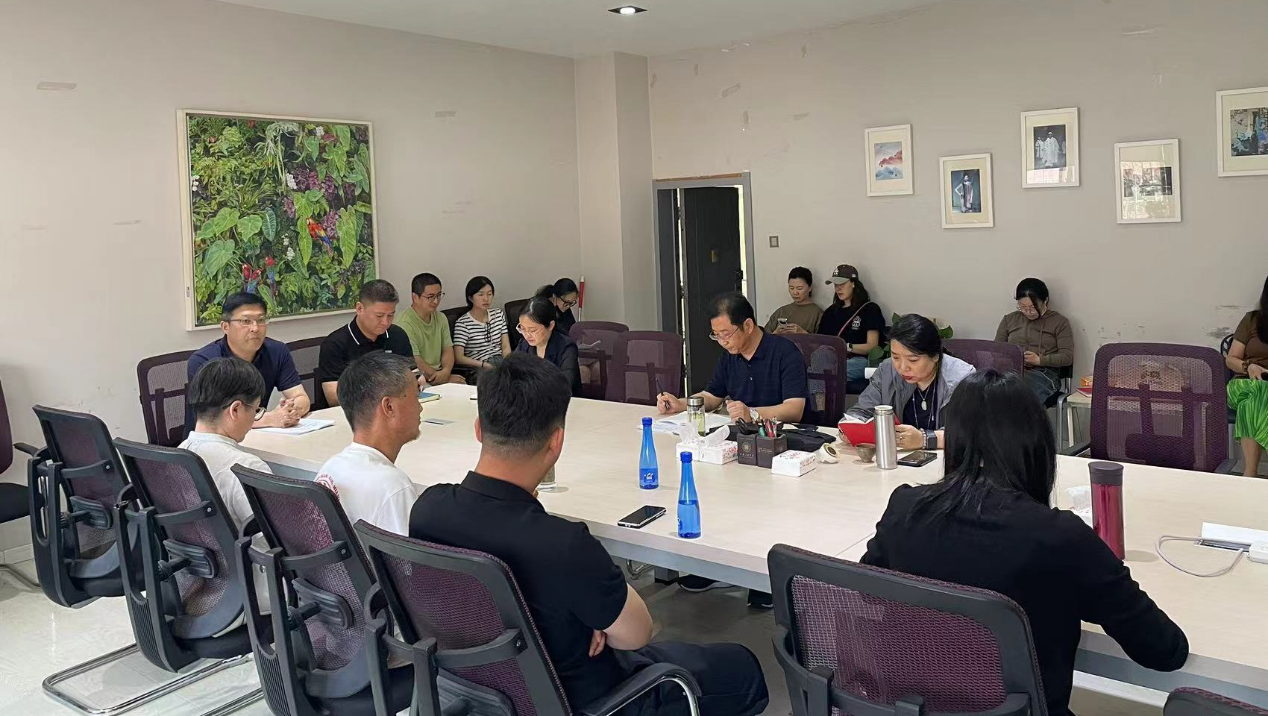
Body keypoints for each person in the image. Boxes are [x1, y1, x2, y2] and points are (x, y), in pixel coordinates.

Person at [410, 354, 769, 716]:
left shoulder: (428, 510)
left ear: (478, 429)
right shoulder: (562, 544)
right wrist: (590, 617)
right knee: (741, 666)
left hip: (475, 693)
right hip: (591, 701)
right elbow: (636, 634)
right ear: (556, 441)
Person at [862, 370, 1188, 716]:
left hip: (914, 708)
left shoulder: (905, 509)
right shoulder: (1059, 537)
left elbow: (866, 591)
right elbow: (1165, 650)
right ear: (1037, 443)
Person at [313, 352, 422, 534]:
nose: (420, 407)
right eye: (416, 397)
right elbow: (403, 553)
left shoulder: (331, 467)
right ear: (389, 407)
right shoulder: (393, 488)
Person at [657, 293, 807, 424]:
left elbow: (794, 409)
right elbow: (711, 396)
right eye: (716, 335)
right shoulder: (729, 355)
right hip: (742, 433)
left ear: (748, 326)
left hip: (781, 435)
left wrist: (752, 414)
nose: (722, 342)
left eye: (726, 334)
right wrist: (681, 404)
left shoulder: (786, 353)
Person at [846, 314, 975, 450]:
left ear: (935, 356)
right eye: (896, 357)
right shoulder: (887, 371)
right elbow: (861, 411)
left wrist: (924, 439)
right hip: (899, 458)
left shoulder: (962, 378)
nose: (902, 368)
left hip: (946, 459)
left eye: (913, 360)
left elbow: (968, 434)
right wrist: (851, 426)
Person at [186, 292, 309, 431]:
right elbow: (214, 420)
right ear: (225, 327)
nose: (255, 328)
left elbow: (301, 397)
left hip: (255, 435)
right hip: (211, 439)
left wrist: (290, 412)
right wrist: (269, 419)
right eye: (246, 321)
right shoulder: (204, 361)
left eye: (261, 320)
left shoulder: (277, 351)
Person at [179, 357, 272, 531]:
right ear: (235, 409)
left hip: (185, 549)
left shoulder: (176, 457)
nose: (254, 418)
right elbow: (271, 540)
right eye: (256, 410)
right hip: (240, 550)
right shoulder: (246, 467)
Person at [315, 279, 415, 410]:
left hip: (395, 409)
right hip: (353, 415)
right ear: (359, 308)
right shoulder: (334, 344)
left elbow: (414, 376)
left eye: (391, 315)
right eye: (379, 316)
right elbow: (333, 397)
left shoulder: (397, 335)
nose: (385, 322)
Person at [995, 278, 1074, 403]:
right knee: (988, 386)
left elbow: (1067, 357)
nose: (1028, 312)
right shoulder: (1009, 320)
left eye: (1033, 307)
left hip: (1045, 373)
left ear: (1045, 301)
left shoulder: (1059, 322)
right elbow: (996, 351)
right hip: (1012, 371)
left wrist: (1039, 360)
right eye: (1023, 307)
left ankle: (1016, 415)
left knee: (1018, 390)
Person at [1226, 276, 1268, 478]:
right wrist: (1248, 366)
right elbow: (1231, 359)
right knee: (1257, 390)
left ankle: (1249, 475)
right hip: (1243, 383)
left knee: (1250, 404)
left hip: (1259, 393)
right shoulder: (1252, 320)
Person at [816, 264, 885, 382]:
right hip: (832, 358)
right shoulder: (830, 312)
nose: (838, 289)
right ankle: (818, 394)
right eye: (835, 285)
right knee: (812, 369)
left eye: (842, 284)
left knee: (833, 372)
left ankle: (824, 393)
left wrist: (847, 347)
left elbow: (872, 346)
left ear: (853, 283)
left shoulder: (869, 309)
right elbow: (821, 341)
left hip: (859, 359)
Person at [396, 272, 464, 386]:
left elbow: (447, 349)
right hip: (419, 378)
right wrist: (443, 379)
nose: (436, 301)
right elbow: (415, 359)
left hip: (441, 374)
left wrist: (446, 372)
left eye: (439, 295)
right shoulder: (404, 323)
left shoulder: (441, 317)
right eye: (430, 297)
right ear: (415, 297)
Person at [516, 297, 582, 397]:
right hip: (532, 400)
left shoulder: (566, 347)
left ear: (551, 325)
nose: (527, 335)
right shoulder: (524, 345)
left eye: (533, 330)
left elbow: (564, 384)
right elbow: (510, 373)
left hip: (563, 401)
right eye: (522, 329)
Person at [453, 276, 511, 372]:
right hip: (479, 366)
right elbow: (459, 357)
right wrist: (484, 365)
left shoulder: (498, 314)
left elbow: (505, 346)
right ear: (470, 298)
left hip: (501, 361)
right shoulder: (463, 323)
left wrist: (508, 363)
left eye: (489, 294)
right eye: (481, 295)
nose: (486, 299)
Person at [764, 267, 823, 335]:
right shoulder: (781, 311)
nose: (795, 292)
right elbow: (763, 338)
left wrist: (804, 334)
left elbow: (824, 340)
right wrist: (776, 333)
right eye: (791, 288)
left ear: (810, 288)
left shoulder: (817, 313)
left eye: (799, 288)